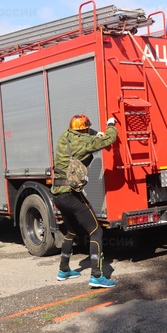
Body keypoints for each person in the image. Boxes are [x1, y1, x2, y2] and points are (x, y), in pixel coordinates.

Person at [51, 114, 118, 287]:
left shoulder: (65, 137)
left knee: (71, 231)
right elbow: (110, 139)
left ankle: (64, 270)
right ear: (85, 129)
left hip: (57, 194)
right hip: (70, 194)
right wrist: (111, 125)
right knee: (96, 232)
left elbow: (86, 135)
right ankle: (97, 276)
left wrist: (95, 133)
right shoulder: (85, 143)